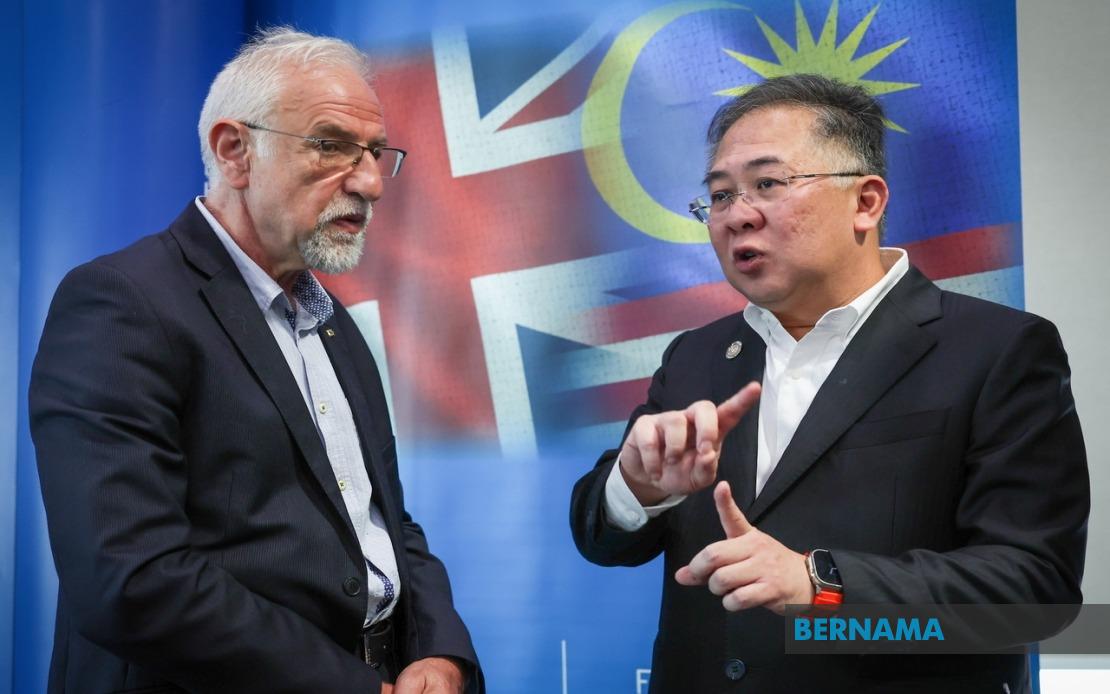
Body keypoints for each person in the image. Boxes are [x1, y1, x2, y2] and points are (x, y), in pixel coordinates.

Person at [570, 74, 1088, 692]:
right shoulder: (696, 356)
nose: (738, 216)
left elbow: (1034, 594)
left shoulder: (996, 349)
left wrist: (823, 588)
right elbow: (603, 540)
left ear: (865, 202)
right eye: (721, 195)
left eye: (768, 184)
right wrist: (636, 487)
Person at [30, 28, 480, 694]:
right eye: (331, 145)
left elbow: (383, 519)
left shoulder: (335, 323)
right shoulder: (121, 303)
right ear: (234, 151)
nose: (369, 182)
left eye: (375, 152)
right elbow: (130, 577)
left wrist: (441, 654)